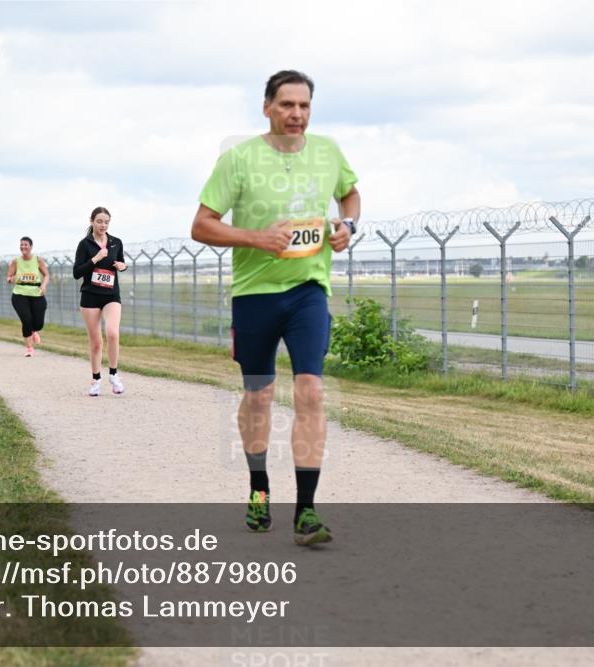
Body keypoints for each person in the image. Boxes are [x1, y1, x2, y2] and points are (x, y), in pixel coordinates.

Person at [191, 70, 360, 546]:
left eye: (304, 106)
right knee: (260, 395)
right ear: (267, 107)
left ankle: (306, 511)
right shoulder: (239, 159)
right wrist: (256, 238)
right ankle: (259, 488)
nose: (297, 114)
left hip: (309, 290)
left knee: (310, 391)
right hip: (254, 295)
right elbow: (201, 226)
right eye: (287, 105)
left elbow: (350, 192)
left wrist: (348, 223)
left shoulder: (328, 152)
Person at [73, 206, 127, 396]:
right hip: (90, 296)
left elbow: (120, 262)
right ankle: (96, 379)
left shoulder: (116, 242)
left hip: (111, 295)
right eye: (99, 221)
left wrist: (123, 266)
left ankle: (113, 374)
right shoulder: (85, 244)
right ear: (92, 221)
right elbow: (76, 273)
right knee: (96, 342)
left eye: (106, 222)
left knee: (112, 333)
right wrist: (95, 258)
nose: (103, 225)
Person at [7, 236, 49, 357]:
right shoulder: (16, 261)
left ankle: (34, 330)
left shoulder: (38, 260)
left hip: (36, 293)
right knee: (26, 320)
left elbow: (46, 275)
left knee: (39, 323)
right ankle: (29, 348)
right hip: (19, 294)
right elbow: (8, 277)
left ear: (31, 246)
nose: (23, 247)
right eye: (21, 244)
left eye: (25, 244)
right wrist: (12, 279)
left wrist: (44, 286)